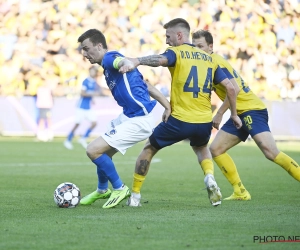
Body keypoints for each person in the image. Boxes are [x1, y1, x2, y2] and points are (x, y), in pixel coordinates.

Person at [119, 18, 242, 207]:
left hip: (179, 119)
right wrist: (232, 114)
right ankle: (209, 177)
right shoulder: (209, 59)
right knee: (202, 148)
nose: (167, 41)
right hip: (203, 122)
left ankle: (134, 196)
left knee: (149, 149)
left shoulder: (176, 52)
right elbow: (232, 89)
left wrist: (137, 61)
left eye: (168, 36)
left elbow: (160, 60)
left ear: (179, 35)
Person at [191, 29, 300, 200]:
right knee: (216, 149)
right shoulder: (205, 63)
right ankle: (240, 191)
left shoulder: (215, 62)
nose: (196, 50)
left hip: (251, 109)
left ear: (210, 47)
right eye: (194, 46)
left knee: (271, 152)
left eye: (200, 46)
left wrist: (219, 113)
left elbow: (235, 88)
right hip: (239, 112)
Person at [77, 29, 171, 209]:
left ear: (99, 46)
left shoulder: (109, 58)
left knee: (92, 150)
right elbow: (146, 85)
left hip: (139, 120)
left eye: (87, 49)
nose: (85, 54)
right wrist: (166, 106)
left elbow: (117, 60)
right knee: (102, 153)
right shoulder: (106, 69)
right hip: (128, 116)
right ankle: (102, 190)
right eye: (83, 50)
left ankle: (120, 188)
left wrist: (124, 62)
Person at [64, 66, 101, 150]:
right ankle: (68, 140)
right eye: (91, 71)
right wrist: (93, 94)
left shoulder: (94, 82)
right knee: (77, 124)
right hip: (81, 106)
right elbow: (83, 93)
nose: (93, 73)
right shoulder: (86, 81)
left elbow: (90, 93)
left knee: (94, 123)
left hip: (88, 107)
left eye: (94, 71)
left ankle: (83, 138)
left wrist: (92, 99)